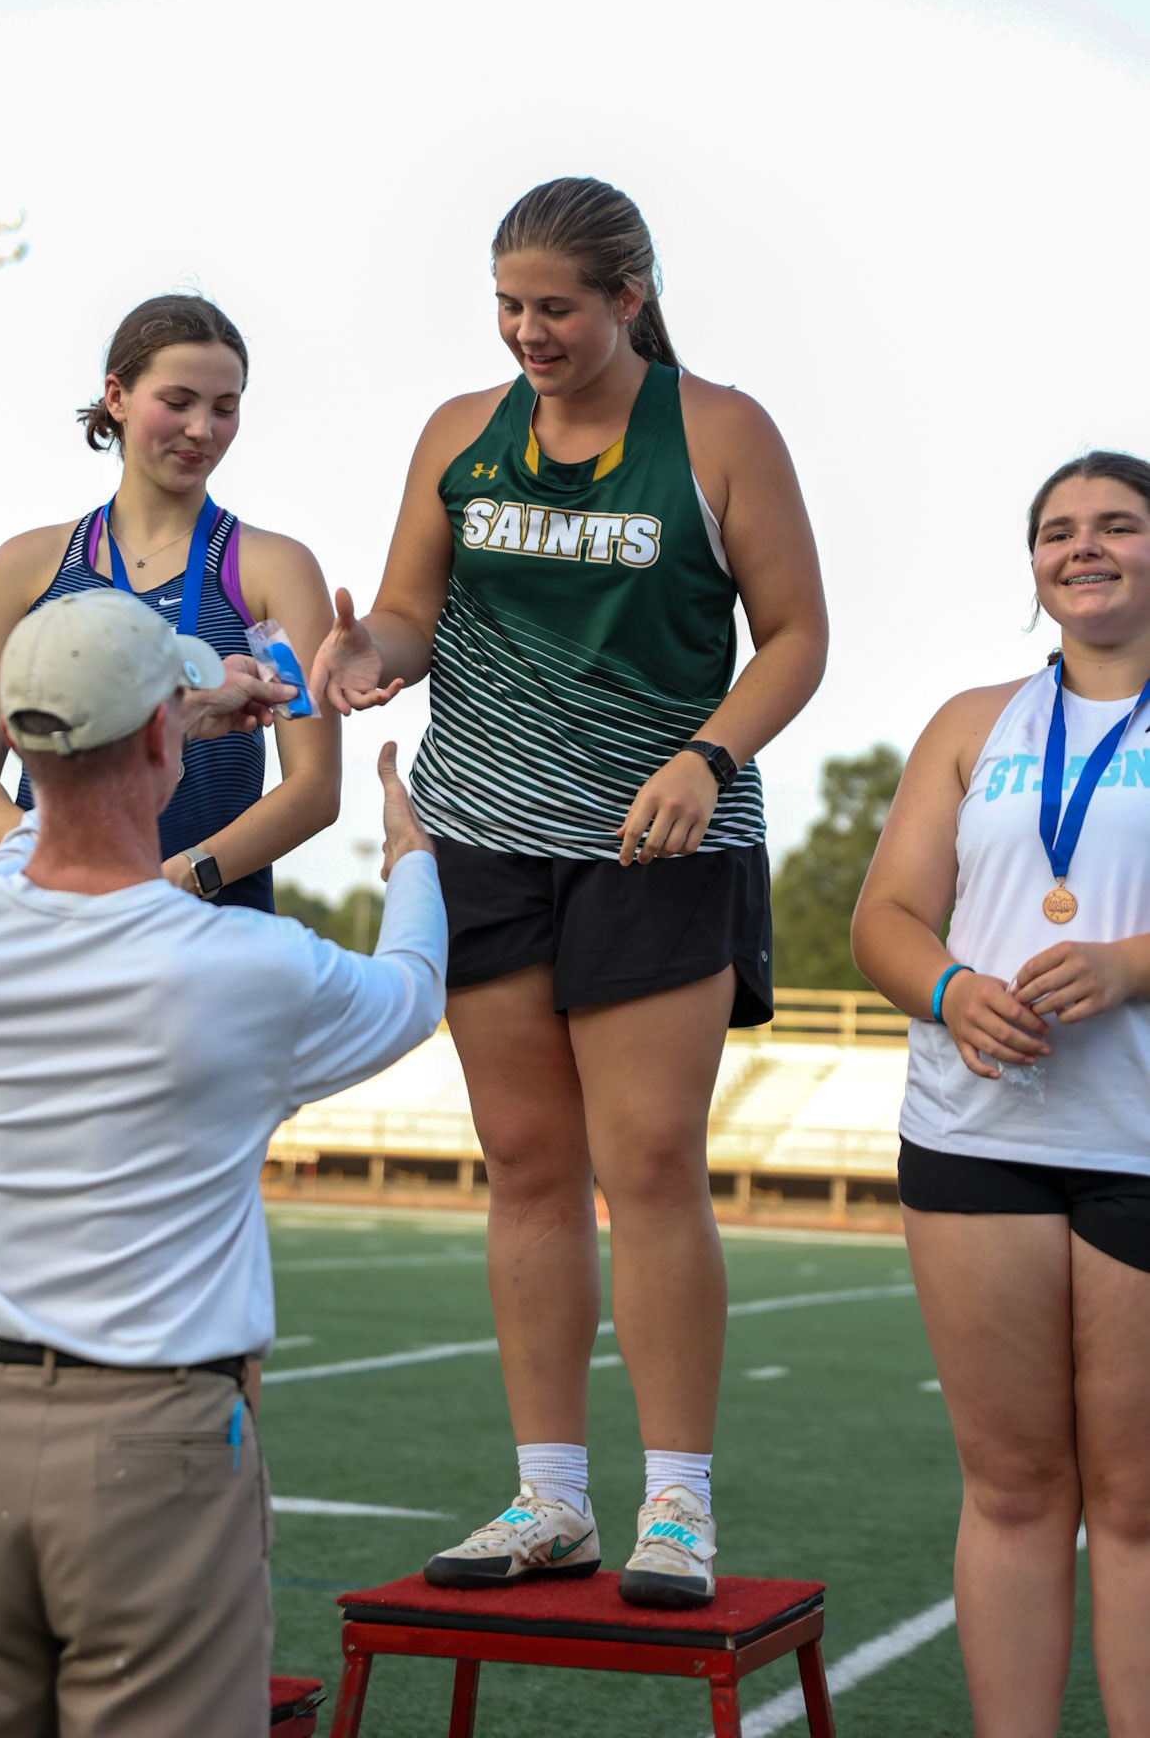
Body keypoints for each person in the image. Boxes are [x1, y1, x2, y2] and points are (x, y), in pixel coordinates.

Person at [310, 176, 827, 1606]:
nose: (529, 332)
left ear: (628, 297)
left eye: (556, 307)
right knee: (529, 1168)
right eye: (509, 306)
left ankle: (677, 1507)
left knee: (649, 1161)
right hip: (483, 832)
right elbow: (413, 612)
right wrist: (370, 661)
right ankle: (549, 1501)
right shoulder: (458, 436)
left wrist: (708, 757)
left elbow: (794, 637)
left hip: (659, 839)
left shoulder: (720, 432)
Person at [0, 587, 446, 1738]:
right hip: (154, 1440)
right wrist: (412, 855)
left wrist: (164, 722)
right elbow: (415, 989)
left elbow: (37, 837)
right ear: (157, 738)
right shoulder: (248, 967)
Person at [852, 451, 1150, 1738]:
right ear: (1033, 565)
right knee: (1016, 1487)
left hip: (1140, 1138)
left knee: (1139, 1500)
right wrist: (951, 991)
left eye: (1118, 526)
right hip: (976, 1134)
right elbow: (888, 917)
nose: (1085, 548)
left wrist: (1129, 964)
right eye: (1058, 532)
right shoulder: (975, 721)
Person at [0, 292, 338, 905]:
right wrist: (65, 868)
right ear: (117, 396)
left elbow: (314, 784)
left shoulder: (275, 569)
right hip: (57, 920)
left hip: (213, 934)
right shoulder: (24, 569)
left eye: (225, 408)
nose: (201, 429)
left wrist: (182, 876)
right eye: (178, 402)